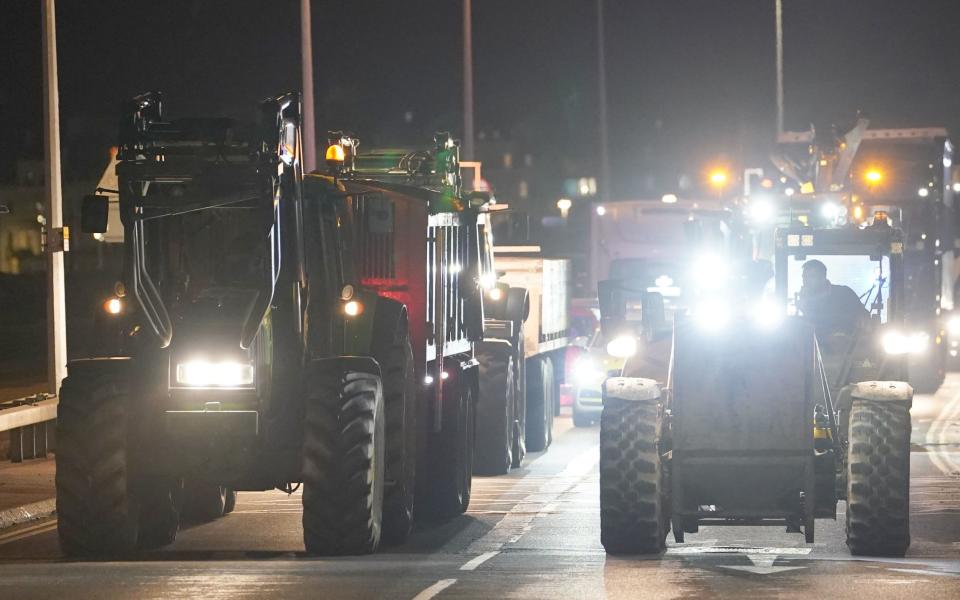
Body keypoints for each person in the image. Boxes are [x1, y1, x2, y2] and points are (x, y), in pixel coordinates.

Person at [797, 259, 869, 336]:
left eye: (811, 277)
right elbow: (810, 328)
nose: (806, 281)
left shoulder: (844, 293)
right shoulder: (805, 301)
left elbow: (863, 316)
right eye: (804, 277)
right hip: (815, 345)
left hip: (848, 344)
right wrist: (804, 308)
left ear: (822, 277)